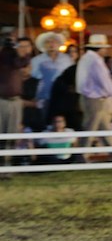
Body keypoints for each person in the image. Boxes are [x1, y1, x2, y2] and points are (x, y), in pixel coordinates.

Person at [76, 34, 112, 162]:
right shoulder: (96, 61)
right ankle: (81, 155)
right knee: (91, 128)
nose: (106, 50)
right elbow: (104, 80)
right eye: (104, 48)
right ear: (100, 48)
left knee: (102, 127)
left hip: (89, 98)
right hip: (94, 99)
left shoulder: (86, 58)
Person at [0, 37, 31, 168]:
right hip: (2, 100)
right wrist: (24, 53)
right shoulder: (5, 57)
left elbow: (19, 63)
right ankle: (3, 163)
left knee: (12, 133)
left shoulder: (13, 58)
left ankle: (7, 163)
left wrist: (21, 52)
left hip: (15, 100)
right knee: (3, 133)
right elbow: (19, 62)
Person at [30, 32, 73, 126]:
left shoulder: (66, 59)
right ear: (44, 45)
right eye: (48, 42)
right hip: (44, 96)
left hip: (62, 97)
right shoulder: (36, 60)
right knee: (44, 122)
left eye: (54, 42)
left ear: (59, 44)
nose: (51, 45)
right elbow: (32, 78)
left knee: (61, 122)